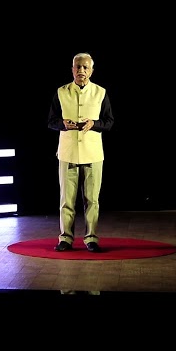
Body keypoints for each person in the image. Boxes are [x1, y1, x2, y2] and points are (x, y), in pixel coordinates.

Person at [47, 52, 114, 253]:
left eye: (85, 67)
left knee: (92, 200)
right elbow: (51, 121)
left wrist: (94, 124)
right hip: (68, 153)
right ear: (72, 69)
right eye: (78, 67)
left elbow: (109, 122)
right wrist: (62, 124)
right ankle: (65, 238)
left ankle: (91, 238)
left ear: (91, 71)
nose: (81, 70)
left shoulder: (100, 92)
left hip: (93, 154)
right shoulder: (61, 92)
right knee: (66, 200)